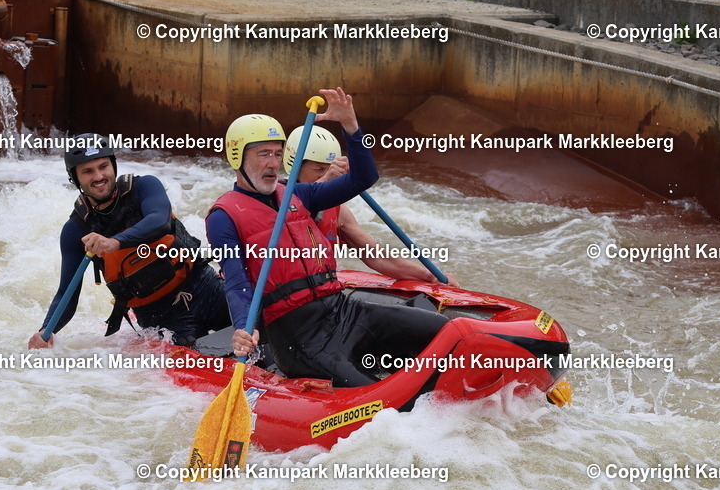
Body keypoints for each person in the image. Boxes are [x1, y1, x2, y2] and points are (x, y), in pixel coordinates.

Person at [205, 87, 448, 388]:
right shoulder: (223, 215)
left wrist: (351, 126)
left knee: (444, 331)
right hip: (298, 338)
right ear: (236, 156)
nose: (273, 163)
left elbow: (364, 178)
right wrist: (243, 329)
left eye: (278, 154)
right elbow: (236, 282)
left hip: (342, 311)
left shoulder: (300, 194)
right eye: (263, 154)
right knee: (376, 395)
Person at [29, 134, 230, 348]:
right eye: (87, 171)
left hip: (203, 286)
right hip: (161, 317)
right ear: (75, 178)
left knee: (260, 323)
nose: (98, 176)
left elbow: (159, 221)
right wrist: (46, 331)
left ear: (113, 165)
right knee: (196, 348)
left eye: (103, 166)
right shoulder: (76, 229)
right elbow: (67, 293)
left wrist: (114, 242)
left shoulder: (144, 188)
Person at [283, 124, 459, 287]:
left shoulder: (338, 211)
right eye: (319, 169)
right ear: (294, 166)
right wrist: (325, 181)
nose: (329, 174)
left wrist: (430, 276)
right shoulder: (274, 201)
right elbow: (297, 206)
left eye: (330, 168)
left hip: (321, 294)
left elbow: (376, 256)